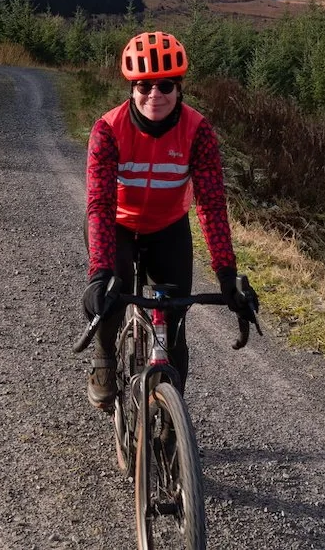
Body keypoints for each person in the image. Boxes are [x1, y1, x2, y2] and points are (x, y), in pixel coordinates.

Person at [82, 30, 254, 410]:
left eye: (165, 85)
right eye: (144, 86)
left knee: (174, 328)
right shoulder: (108, 130)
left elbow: (211, 205)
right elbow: (99, 204)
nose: (154, 95)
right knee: (111, 297)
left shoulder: (198, 132)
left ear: (179, 88)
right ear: (132, 88)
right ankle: (104, 358)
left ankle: (171, 421)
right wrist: (99, 274)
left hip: (167, 228)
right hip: (117, 225)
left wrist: (227, 275)